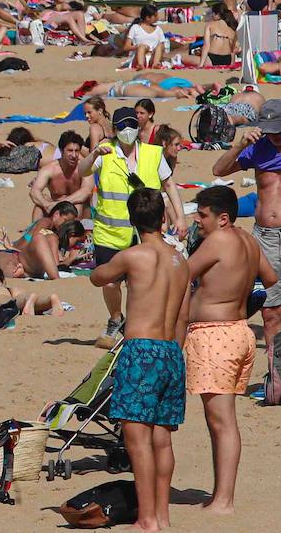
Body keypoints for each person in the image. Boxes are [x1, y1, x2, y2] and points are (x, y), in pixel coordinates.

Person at [89, 188, 190, 532]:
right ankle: (161, 515)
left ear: (133, 220)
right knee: (162, 438)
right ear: (163, 218)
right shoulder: (181, 263)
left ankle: (146, 519)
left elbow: (97, 276)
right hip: (171, 352)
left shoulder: (133, 256)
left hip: (142, 350)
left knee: (137, 439)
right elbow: (182, 318)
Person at [184, 186, 278, 513]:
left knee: (221, 421)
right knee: (221, 420)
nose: (197, 220)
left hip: (216, 335)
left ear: (223, 218)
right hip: (239, 334)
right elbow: (269, 278)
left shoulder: (219, 240)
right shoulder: (248, 241)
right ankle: (219, 494)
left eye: (203, 215)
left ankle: (224, 500)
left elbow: (180, 273)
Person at [79, 106, 186, 347]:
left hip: (147, 231)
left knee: (144, 282)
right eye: (122, 127)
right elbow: (82, 170)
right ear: (115, 130)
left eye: (132, 125)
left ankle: (141, 326)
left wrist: (180, 217)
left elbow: (169, 185)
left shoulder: (153, 153)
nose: (127, 131)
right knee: (110, 282)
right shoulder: (105, 153)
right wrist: (94, 153)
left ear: (139, 128)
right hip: (110, 231)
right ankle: (116, 318)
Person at [212, 99, 281, 402]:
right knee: (271, 311)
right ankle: (276, 376)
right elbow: (219, 169)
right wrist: (238, 145)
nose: (274, 136)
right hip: (267, 237)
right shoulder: (258, 148)